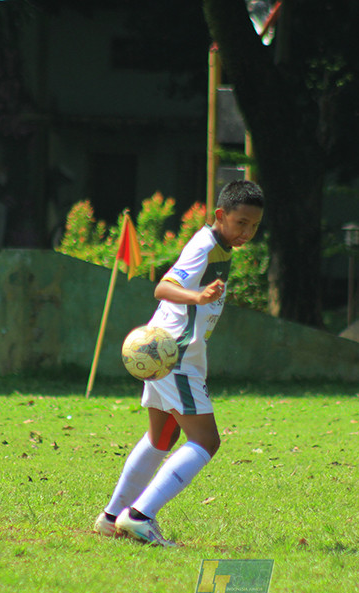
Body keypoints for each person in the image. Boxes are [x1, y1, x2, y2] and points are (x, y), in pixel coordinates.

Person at [93, 180, 264, 546]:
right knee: (206, 440)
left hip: (165, 349)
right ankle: (139, 516)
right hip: (176, 354)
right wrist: (198, 296)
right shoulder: (204, 245)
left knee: (162, 437)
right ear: (220, 215)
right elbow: (164, 287)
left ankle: (111, 518)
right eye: (241, 222)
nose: (247, 232)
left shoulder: (220, 245)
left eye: (254, 225)